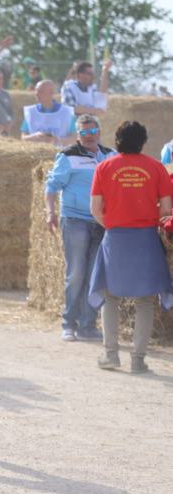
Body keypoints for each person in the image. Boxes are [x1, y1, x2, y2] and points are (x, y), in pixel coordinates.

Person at [89, 121, 173, 373]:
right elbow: (167, 210)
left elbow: (94, 208)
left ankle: (111, 354)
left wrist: (113, 225)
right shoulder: (156, 168)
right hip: (146, 238)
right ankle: (138, 360)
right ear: (143, 141)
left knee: (110, 297)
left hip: (115, 238)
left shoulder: (105, 167)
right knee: (145, 300)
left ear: (117, 140)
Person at [44, 114, 116, 342]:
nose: (88, 136)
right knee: (76, 273)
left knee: (95, 275)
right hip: (75, 219)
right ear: (77, 135)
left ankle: (88, 325)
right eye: (83, 133)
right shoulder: (67, 155)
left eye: (92, 131)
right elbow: (52, 186)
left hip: (102, 222)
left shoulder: (110, 156)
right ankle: (68, 323)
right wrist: (50, 212)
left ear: (99, 132)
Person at [21, 80, 76, 148]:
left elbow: (74, 138)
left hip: (60, 155)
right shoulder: (30, 112)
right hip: (35, 156)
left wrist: (56, 140)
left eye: (40, 91)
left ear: (51, 93)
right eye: (36, 90)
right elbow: (23, 137)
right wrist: (35, 137)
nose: (36, 93)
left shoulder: (67, 112)